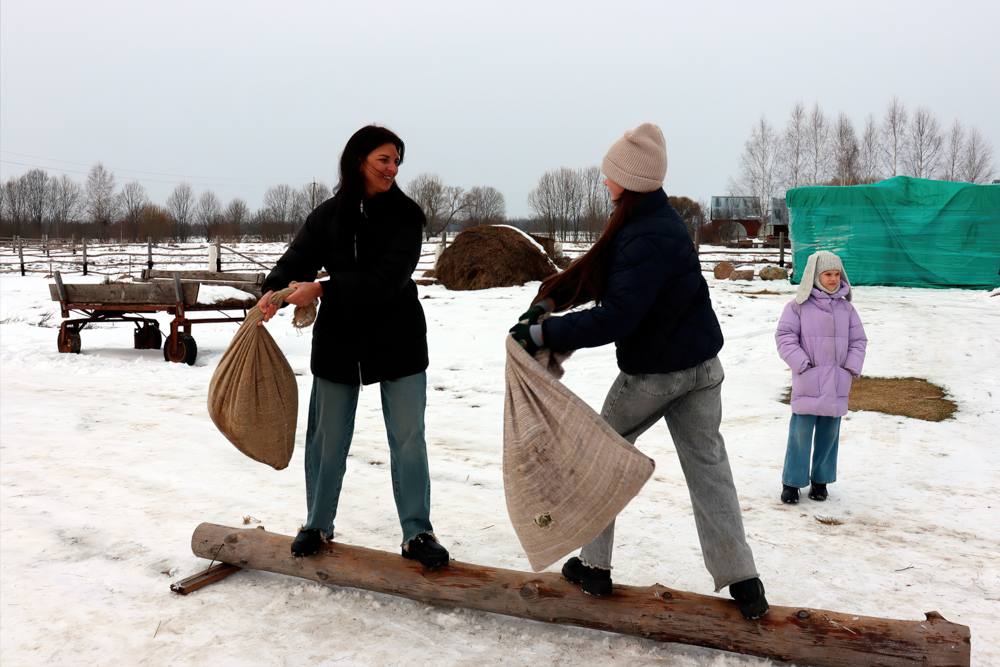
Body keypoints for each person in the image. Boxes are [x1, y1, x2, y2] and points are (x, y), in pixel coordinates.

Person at [509, 123, 768, 620]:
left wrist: (544, 335)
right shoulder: (658, 223)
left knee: (599, 458)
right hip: (701, 369)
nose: (604, 184)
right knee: (710, 471)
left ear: (628, 180)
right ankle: (744, 582)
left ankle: (594, 569)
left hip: (655, 376)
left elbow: (618, 316)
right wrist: (549, 301)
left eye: (609, 177)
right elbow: (600, 274)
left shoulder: (644, 233)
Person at [257, 125, 448, 568]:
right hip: (339, 342)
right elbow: (296, 261)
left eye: (397, 161)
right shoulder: (328, 216)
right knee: (325, 439)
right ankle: (316, 524)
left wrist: (321, 289)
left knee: (408, 440)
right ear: (358, 159)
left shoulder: (405, 216)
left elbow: (388, 281)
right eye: (384, 159)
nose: (392, 168)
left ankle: (417, 533)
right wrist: (273, 291)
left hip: (398, 339)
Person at [775, 251, 867, 504]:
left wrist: (849, 366)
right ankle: (792, 483)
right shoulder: (797, 307)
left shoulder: (847, 309)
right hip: (809, 379)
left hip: (837, 380)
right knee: (800, 433)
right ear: (815, 276)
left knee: (830, 433)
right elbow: (785, 337)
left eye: (837, 274)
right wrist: (802, 364)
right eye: (827, 274)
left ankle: (820, 481)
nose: (833, 279)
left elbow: (859, 341)